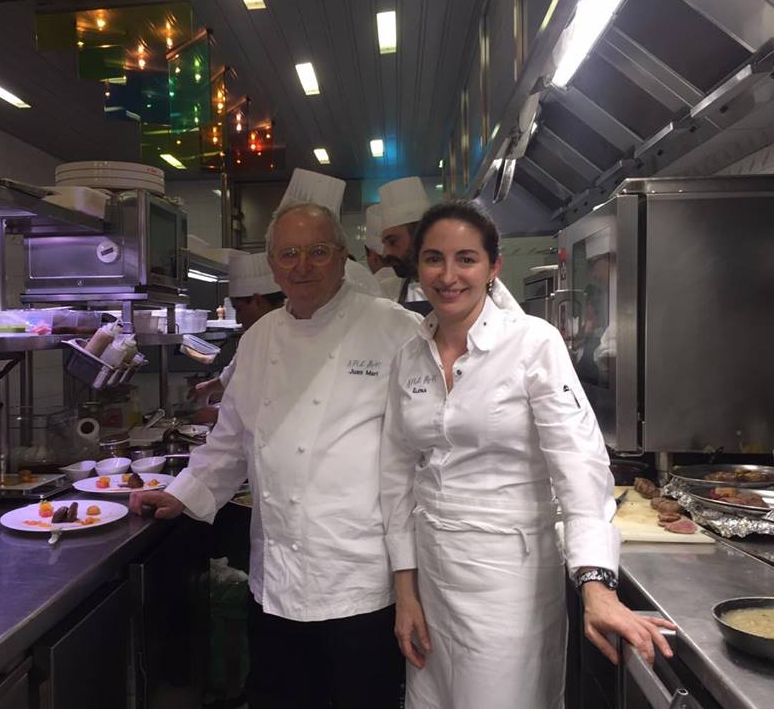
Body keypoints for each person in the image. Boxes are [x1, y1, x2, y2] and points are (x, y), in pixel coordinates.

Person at [379, 201, 674, 708]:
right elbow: (397, 475)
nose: (448, 276)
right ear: (418, 267)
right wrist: (405, 593)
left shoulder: (533, 343)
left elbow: (579, 466)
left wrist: (597, 585)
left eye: (466, 259)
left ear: (494, 267)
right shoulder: (409, 354)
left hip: (507, 581)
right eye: (434, 259)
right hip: (431, 574)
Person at [132, 202, 422, 709]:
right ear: (271, 262)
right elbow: (229, 440)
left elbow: (423, 447)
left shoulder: (393, 328)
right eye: (288, 254)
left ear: (341, 256)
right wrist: (183, 493)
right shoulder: (259, 337)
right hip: (278, 582)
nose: (302, 266)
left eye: (317, 252)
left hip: (360, 580)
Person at [189, 252, 285, 424]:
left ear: (257, 301)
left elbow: (278, 404)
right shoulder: (256, 335)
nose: (238, 320)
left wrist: (218, 414)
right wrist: (207, 387)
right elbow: (237, 371)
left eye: (239, 309)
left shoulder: (289, 335)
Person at [377, 176, 432, 306]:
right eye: (384, 244)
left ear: (420, 238)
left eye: (392, 242)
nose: (385, 254)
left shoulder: (457, 288)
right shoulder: (388, 293)